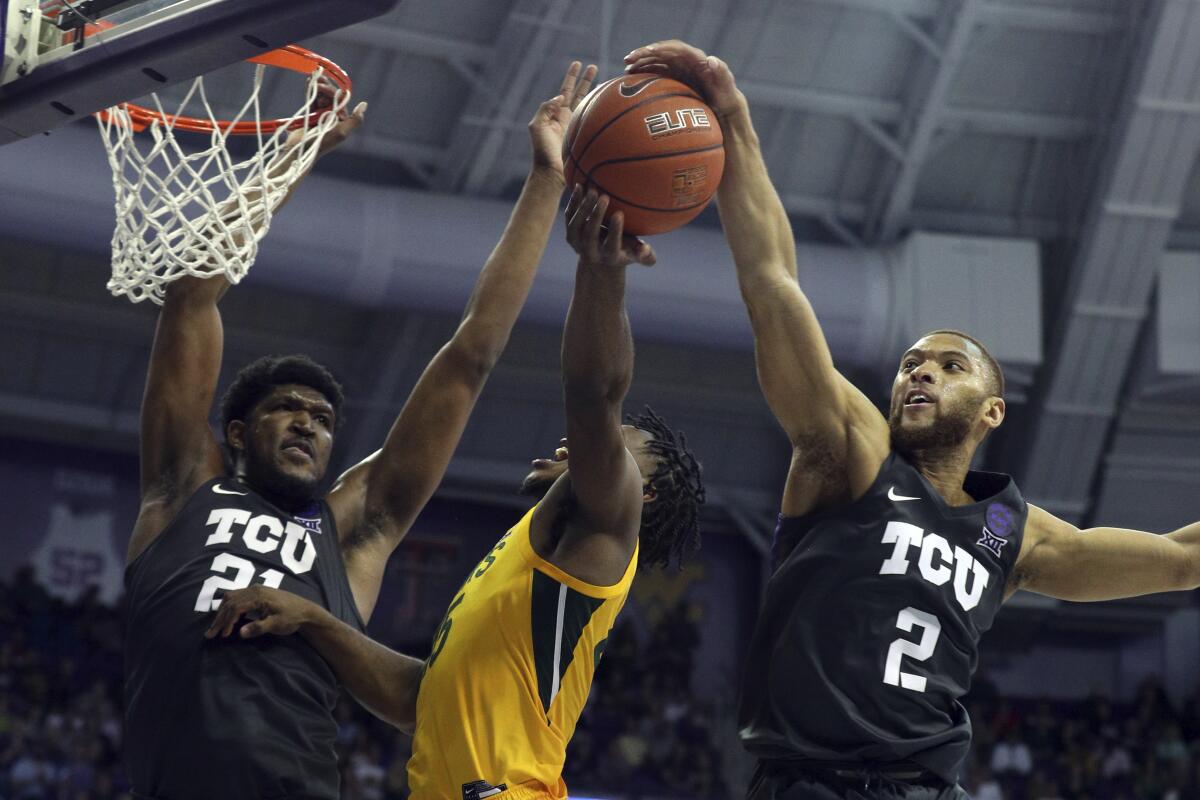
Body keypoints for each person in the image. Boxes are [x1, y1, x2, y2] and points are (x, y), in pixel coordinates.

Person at [623, 39, 1200, 800]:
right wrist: (735, 124)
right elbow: (771, 284)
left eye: (949, 365)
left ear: (992, 410)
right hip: (811, 784)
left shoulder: (1012, 532)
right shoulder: (851, 455)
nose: (919, 369)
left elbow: (1184, 559)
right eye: (909, 363)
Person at [123, 61, 598, 800]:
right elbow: (192, 295)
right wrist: (302, 148)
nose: (309, 425)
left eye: (322, 419)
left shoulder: (351, 533)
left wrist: (545, 178)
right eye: (289, 408)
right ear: (240, 433)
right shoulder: (182, 486)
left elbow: (470, 357)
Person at [206, 186, 706, 800]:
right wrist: (312, 619)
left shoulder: (607, 524)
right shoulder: (534, 564)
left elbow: (596, 394)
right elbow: (425, 699)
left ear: (642, 494)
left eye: (616, 446)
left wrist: (600, 272)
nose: (575, 445)